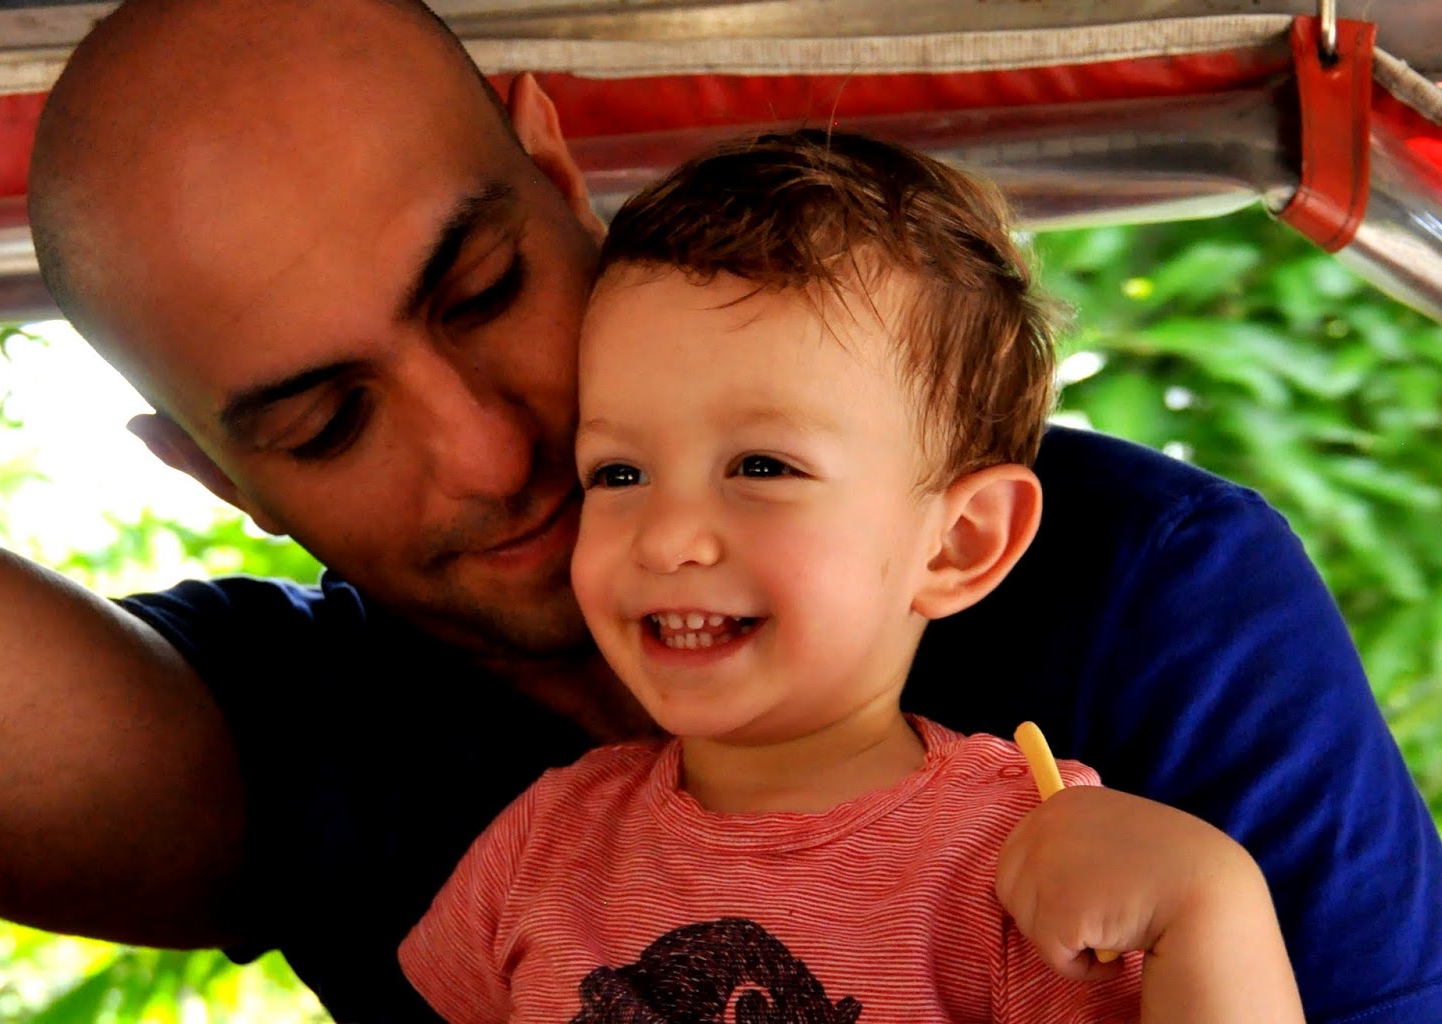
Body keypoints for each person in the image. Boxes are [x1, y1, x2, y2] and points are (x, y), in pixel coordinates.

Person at [0, 0, 1435, 1023]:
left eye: (480, 293)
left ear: (554, 171)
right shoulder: (308, 739)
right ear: (213, 475)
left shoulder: (1146, 588)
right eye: (329, 422)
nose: (489, 450)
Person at [398, 131, 1304, 1023]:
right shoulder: (544, 843)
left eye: (762, 467)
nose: (666, 539)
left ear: (957, 545)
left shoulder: (1028, 859)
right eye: (619, 473)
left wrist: (1208, 905)